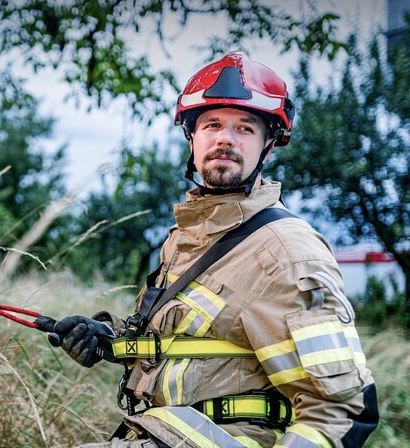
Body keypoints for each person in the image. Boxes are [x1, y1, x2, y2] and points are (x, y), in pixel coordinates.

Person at [41, 52, 379, 447]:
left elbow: (341, 409)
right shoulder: (192, 235)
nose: (225, 139)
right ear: (193, 138)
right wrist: (110, 339)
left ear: (268, 146)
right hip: (164, 432)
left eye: (244, 128)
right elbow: (195, 346)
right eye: (212, 125)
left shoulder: (286, 252)